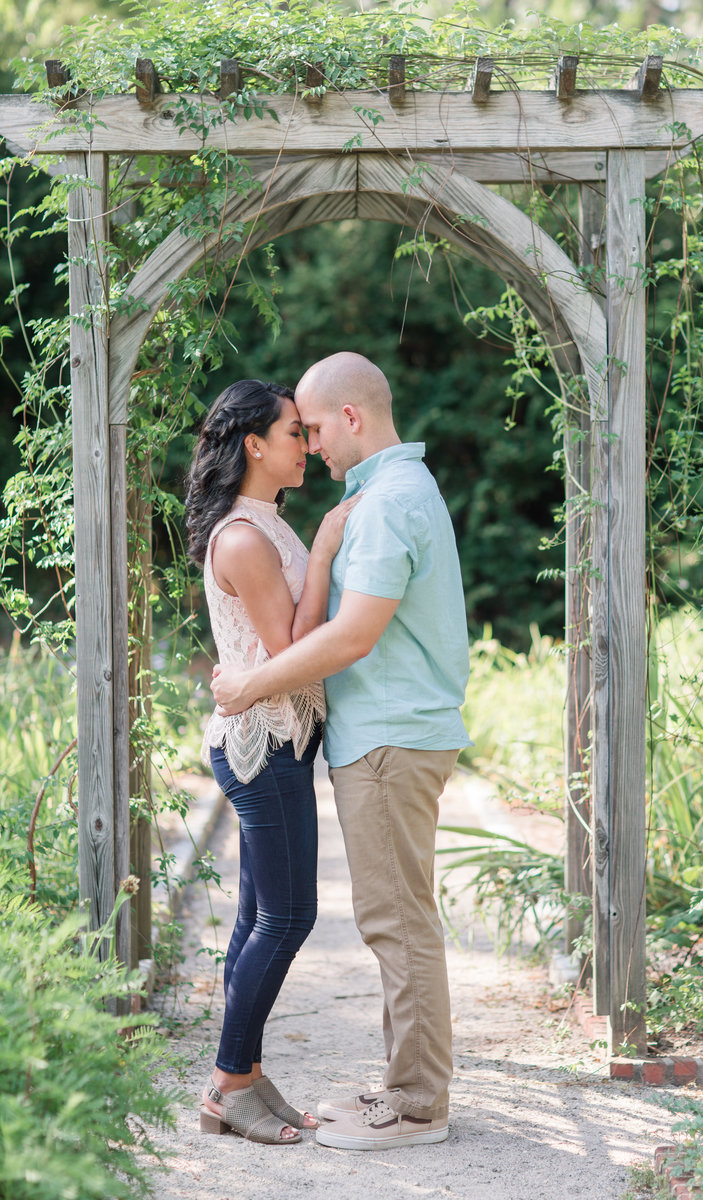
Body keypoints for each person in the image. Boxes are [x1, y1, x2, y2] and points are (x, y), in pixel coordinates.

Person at [211, 351, 471, 1150]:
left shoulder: (386, 503)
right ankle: (244, 1082)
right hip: (349, 741)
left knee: (394, 923)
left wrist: (248, 687)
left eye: (315, 427)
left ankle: (415, 1104)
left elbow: (351, 636)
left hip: (389, 741)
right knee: (312, 916)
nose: (313, 444)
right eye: (297, 430)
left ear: (351, 418)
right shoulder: (371, 499)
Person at [185, 378, 357, 1145]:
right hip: (261, 746)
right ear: (254, 444)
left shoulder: (262, 523)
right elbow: (291, 653)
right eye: (295, 432)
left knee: (261, 915)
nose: (308, 444)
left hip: (278, 738)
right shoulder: (247, 537)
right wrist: (324, 548)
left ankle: (246, 1075)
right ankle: (228, 1084)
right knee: (290, 915)